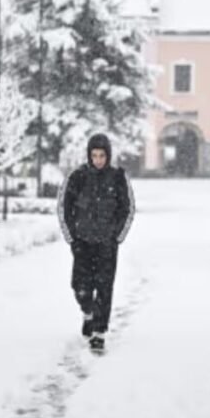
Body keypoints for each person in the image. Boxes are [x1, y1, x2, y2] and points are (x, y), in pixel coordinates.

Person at [57, 133, 135, 351]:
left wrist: (116, 237)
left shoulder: (118, 177)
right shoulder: (77, 177)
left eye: (102, 155)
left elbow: (127, 209)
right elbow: (64, 208)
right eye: (94, 155)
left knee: (103, 287)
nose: (98, 160)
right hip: (82, 243)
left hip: (106, 244)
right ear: (89, 156)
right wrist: (72, 238)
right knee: (80, 287)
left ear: (108, 156)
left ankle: (99, 332)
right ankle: (88, 313)